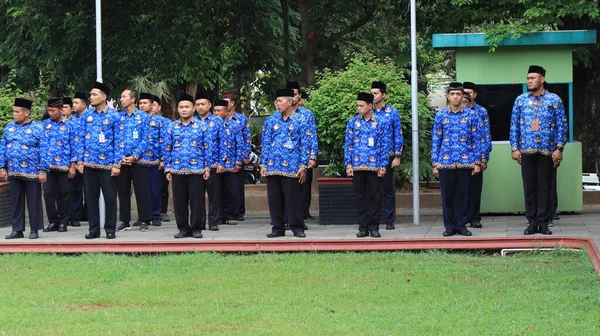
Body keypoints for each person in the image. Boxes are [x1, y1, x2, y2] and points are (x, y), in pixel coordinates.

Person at [509, 65, 567, 235]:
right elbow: (514, 126)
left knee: (545, 187)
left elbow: (562, 125)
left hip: (547, 151)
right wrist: (514, 148)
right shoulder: (520, 100)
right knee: (530, 187)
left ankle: (543, 222)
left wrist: (559, 148)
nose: (529, 81)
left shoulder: (554, 100)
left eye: (532, 78)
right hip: (526, 151)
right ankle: (532, 222)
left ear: (542, 79)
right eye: (528, 78)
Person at [431, 82, 483, 237]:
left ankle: (461, 225)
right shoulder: (441, 115)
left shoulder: (471, 115)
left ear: (462, 96)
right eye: (452, 94)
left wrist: (477, 162)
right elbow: (436, 140)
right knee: (447, 196)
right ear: (448, 96)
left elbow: (476, 140)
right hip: (445, 163)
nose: (455, 97)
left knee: (463, 195)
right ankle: (450, 226)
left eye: (458, 94)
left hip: (465, 162)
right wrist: (435, 163)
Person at [261, 88, 310, 238]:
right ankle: (277, 227)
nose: (277, 104)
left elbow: (305, 144)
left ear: (290, 102)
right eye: (276, 101)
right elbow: (266, 143)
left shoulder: (300, 120)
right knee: (274, 199)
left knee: (293, 198)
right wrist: (263, 164)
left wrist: (304, 165)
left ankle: (297, 227)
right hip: (273, 165)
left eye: (280, 101)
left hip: (292, 166)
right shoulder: (271, 120)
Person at [76, 81, 122, 239]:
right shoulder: (87, 115)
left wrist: (117, 165)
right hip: (89, 164)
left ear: (104, 97)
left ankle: (110, 229)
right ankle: (93, 229)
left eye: (94, 94)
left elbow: (119, 141)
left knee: (110, 198)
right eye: (91, 94)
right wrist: (80, 161)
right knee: (90, 198)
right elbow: (80, 139)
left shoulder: (114, 115)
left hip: (108, 165)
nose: (91, 97)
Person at [163, 93, 210, 239]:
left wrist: (207, 167)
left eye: (187, 107)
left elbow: (207, 148)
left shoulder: (202, 126)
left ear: (193, 109)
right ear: (177, 109)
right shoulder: (172, 127)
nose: (184, 110)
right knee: (179, 202)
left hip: (197, 170)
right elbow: (167, 148)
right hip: (177, 170)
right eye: (181, 107)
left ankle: (196, 228)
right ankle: (183, 228)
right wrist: (167, 168)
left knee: (197, 202)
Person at [0, 98, 47, 239]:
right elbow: (2, 147)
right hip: (14, 171)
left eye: (17, 111)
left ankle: (34, 229)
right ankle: (17, 229)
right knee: (15, 201)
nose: (14, 114)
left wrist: (43, 170)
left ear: (26, 112)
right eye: (13, 111)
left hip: (32, 172)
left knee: (33, 201)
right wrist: (2, 166)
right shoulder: (9, 127)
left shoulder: (38, 128)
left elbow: (44, 150)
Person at [344, 92, 389, 238]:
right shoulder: (353, 123)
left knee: (375, 197)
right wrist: (348, 164)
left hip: (374, 166)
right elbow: (348, 145)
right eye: (357, 105)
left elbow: (384, 146)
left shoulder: (380, 123)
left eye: (361, 105)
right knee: (360, 197)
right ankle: (362, 227)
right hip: (357, 166)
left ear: (370, 106)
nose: (359, 108)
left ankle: (374, 227)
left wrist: (383, 166)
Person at [114, 89, 152, 232]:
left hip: (139, 160)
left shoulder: (143, 117)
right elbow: (116, 139)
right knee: (123, 191)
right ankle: (124, 220)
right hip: (123, 161)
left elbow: (146, 138)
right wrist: (121, 157)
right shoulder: (119, 117)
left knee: (142, 190)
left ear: (132, 99)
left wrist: (135, 156)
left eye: (124, 96)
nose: (121, 99)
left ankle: (144, 219)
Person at [41, 98, 78, 233]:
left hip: (64, 166)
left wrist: (73, 165)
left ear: (61, 110)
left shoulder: (70, 125)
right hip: (48, 167)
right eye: (49, 111)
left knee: (64, 194)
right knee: (48, 194)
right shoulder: (45, 125)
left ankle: (63, 221)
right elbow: (42, 146)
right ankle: (53, 221)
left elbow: (75, 146)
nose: (50, 113)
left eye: (53, 111)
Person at [371, 81, 403, 230]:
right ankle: (373, 219)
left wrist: (397, 156)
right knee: (372, 188)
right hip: (370, 156)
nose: (373, 96)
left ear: (383, 95)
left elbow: (398, 134)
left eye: (376, 93)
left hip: (388, 155)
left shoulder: (392, 112)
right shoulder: (367, 111)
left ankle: (389, 219)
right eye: (371, 93)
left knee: (387, 187)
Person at [286, 81, 318, 221]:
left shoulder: (307, 114)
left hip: (303, 156)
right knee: (287, 188)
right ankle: (287, 216)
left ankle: (303, 213)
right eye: (290, 95)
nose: (293, 97)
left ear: (299, 96)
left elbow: (313, 136)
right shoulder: (279, 115)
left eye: (295, 94)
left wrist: (313, 156)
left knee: (304, 187)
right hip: (285, 157)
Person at [463, 82, 492, 229]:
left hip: (476, 157)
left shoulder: (481, 112)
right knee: (460, 189)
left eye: (469, 92)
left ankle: (474, 217)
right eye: (464, 92)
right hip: (459, 157)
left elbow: (486, 136)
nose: (466, 95)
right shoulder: (454, 111)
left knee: (475, 189)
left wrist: (484, 158)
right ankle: (461, 217)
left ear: (475, 95)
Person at [136, 93, 168, 227]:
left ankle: (156, 215)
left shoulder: (163, 122)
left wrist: (163, 159)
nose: (142, 106)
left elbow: (166, 142)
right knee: (141, 190)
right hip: (138, 160)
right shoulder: (136, 120)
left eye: (145, 103)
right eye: (141, 103)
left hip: (155, 160)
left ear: (152, 105)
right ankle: (143, 216)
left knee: (155, 189)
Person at [195, 92, 225, 231]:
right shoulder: (192, 121)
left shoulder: (217, 121)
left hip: (213, 163)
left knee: (214, 195)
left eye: (203, 104)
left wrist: (222, 162)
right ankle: (199, 222)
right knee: (197, 196)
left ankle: (213, 221)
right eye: (198, 105)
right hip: (196, 165)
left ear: (209, 105)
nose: (200, 107)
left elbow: (223, 142)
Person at [222, 91, 250, 221]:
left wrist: (246, 154)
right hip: (222, 158)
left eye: (226, 102)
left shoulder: (241, 119)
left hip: (237, 156)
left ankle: (239, 212)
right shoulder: (218, 118)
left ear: (232, 103)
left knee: (237, 186)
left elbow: (246, 138)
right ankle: (225, 211)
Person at [67, 91, 89, 226]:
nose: (73, 105)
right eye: (73, 103)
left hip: (91, 158)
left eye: (76, 103)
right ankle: (75, 214)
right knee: (75, 188)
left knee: (90, 189)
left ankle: (89, 213)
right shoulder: (72, 120)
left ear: (84, 104)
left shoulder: (91, 117)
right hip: (77, 159)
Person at [151, 96, 171, 223]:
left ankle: (162, 211)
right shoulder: (141, 120)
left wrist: (164, 159)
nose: (151, 107)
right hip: (146, 159)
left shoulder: (166, 122)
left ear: (159, 107)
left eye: (154, 105)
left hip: (161, 159)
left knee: (162, 187)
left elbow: (167, 143)